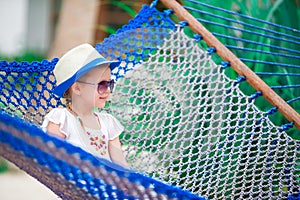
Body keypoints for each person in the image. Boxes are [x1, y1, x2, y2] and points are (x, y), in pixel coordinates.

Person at [42, 43, 128, 168]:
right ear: (77, 88)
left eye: (110, 84)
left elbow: (121, 165)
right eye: (102, 84)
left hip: (107, 184)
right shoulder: (61, 120)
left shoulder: (108, 123)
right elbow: (54, 161)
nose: (108, 90)